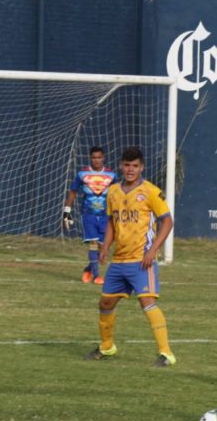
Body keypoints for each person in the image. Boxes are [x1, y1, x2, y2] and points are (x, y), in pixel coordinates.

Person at [84, 146, 176, 367]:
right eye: (127, 165)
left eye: (135, 166)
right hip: (119, 261)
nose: (130, 169)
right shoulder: (113, 191)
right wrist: (105, 247)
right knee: (105, 302)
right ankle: (107, 347)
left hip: (141, 260)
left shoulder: (151, 191)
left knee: (147, 302)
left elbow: (167, 221)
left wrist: (153, 250)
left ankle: (166, 353)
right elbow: (111, 223)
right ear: (120, 166)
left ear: (142, 167)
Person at [63, 146, 116, 284]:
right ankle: (97, 276)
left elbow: (117, 194)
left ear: (103, 158)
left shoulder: (112, 175)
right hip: (88, 215)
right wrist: (66, 213)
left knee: (102, 246)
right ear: (90, 158)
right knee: (92, 244)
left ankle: (88, 269)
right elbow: (73, 192)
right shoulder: (82, 174)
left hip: (106, 216)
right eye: (94, 157)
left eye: (99, 157)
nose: (96, 160)